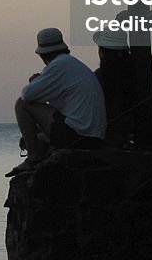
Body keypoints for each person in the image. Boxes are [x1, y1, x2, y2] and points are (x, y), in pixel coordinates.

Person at [7, 27, 107, 177]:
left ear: (41, 54)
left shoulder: (58, 66)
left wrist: (37, 81)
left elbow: (27, 95)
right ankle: (40, 154)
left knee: (22, 104)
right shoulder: (71, 65)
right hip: (92, 138)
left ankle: (33, 158)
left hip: (78, 137)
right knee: (38, 136)